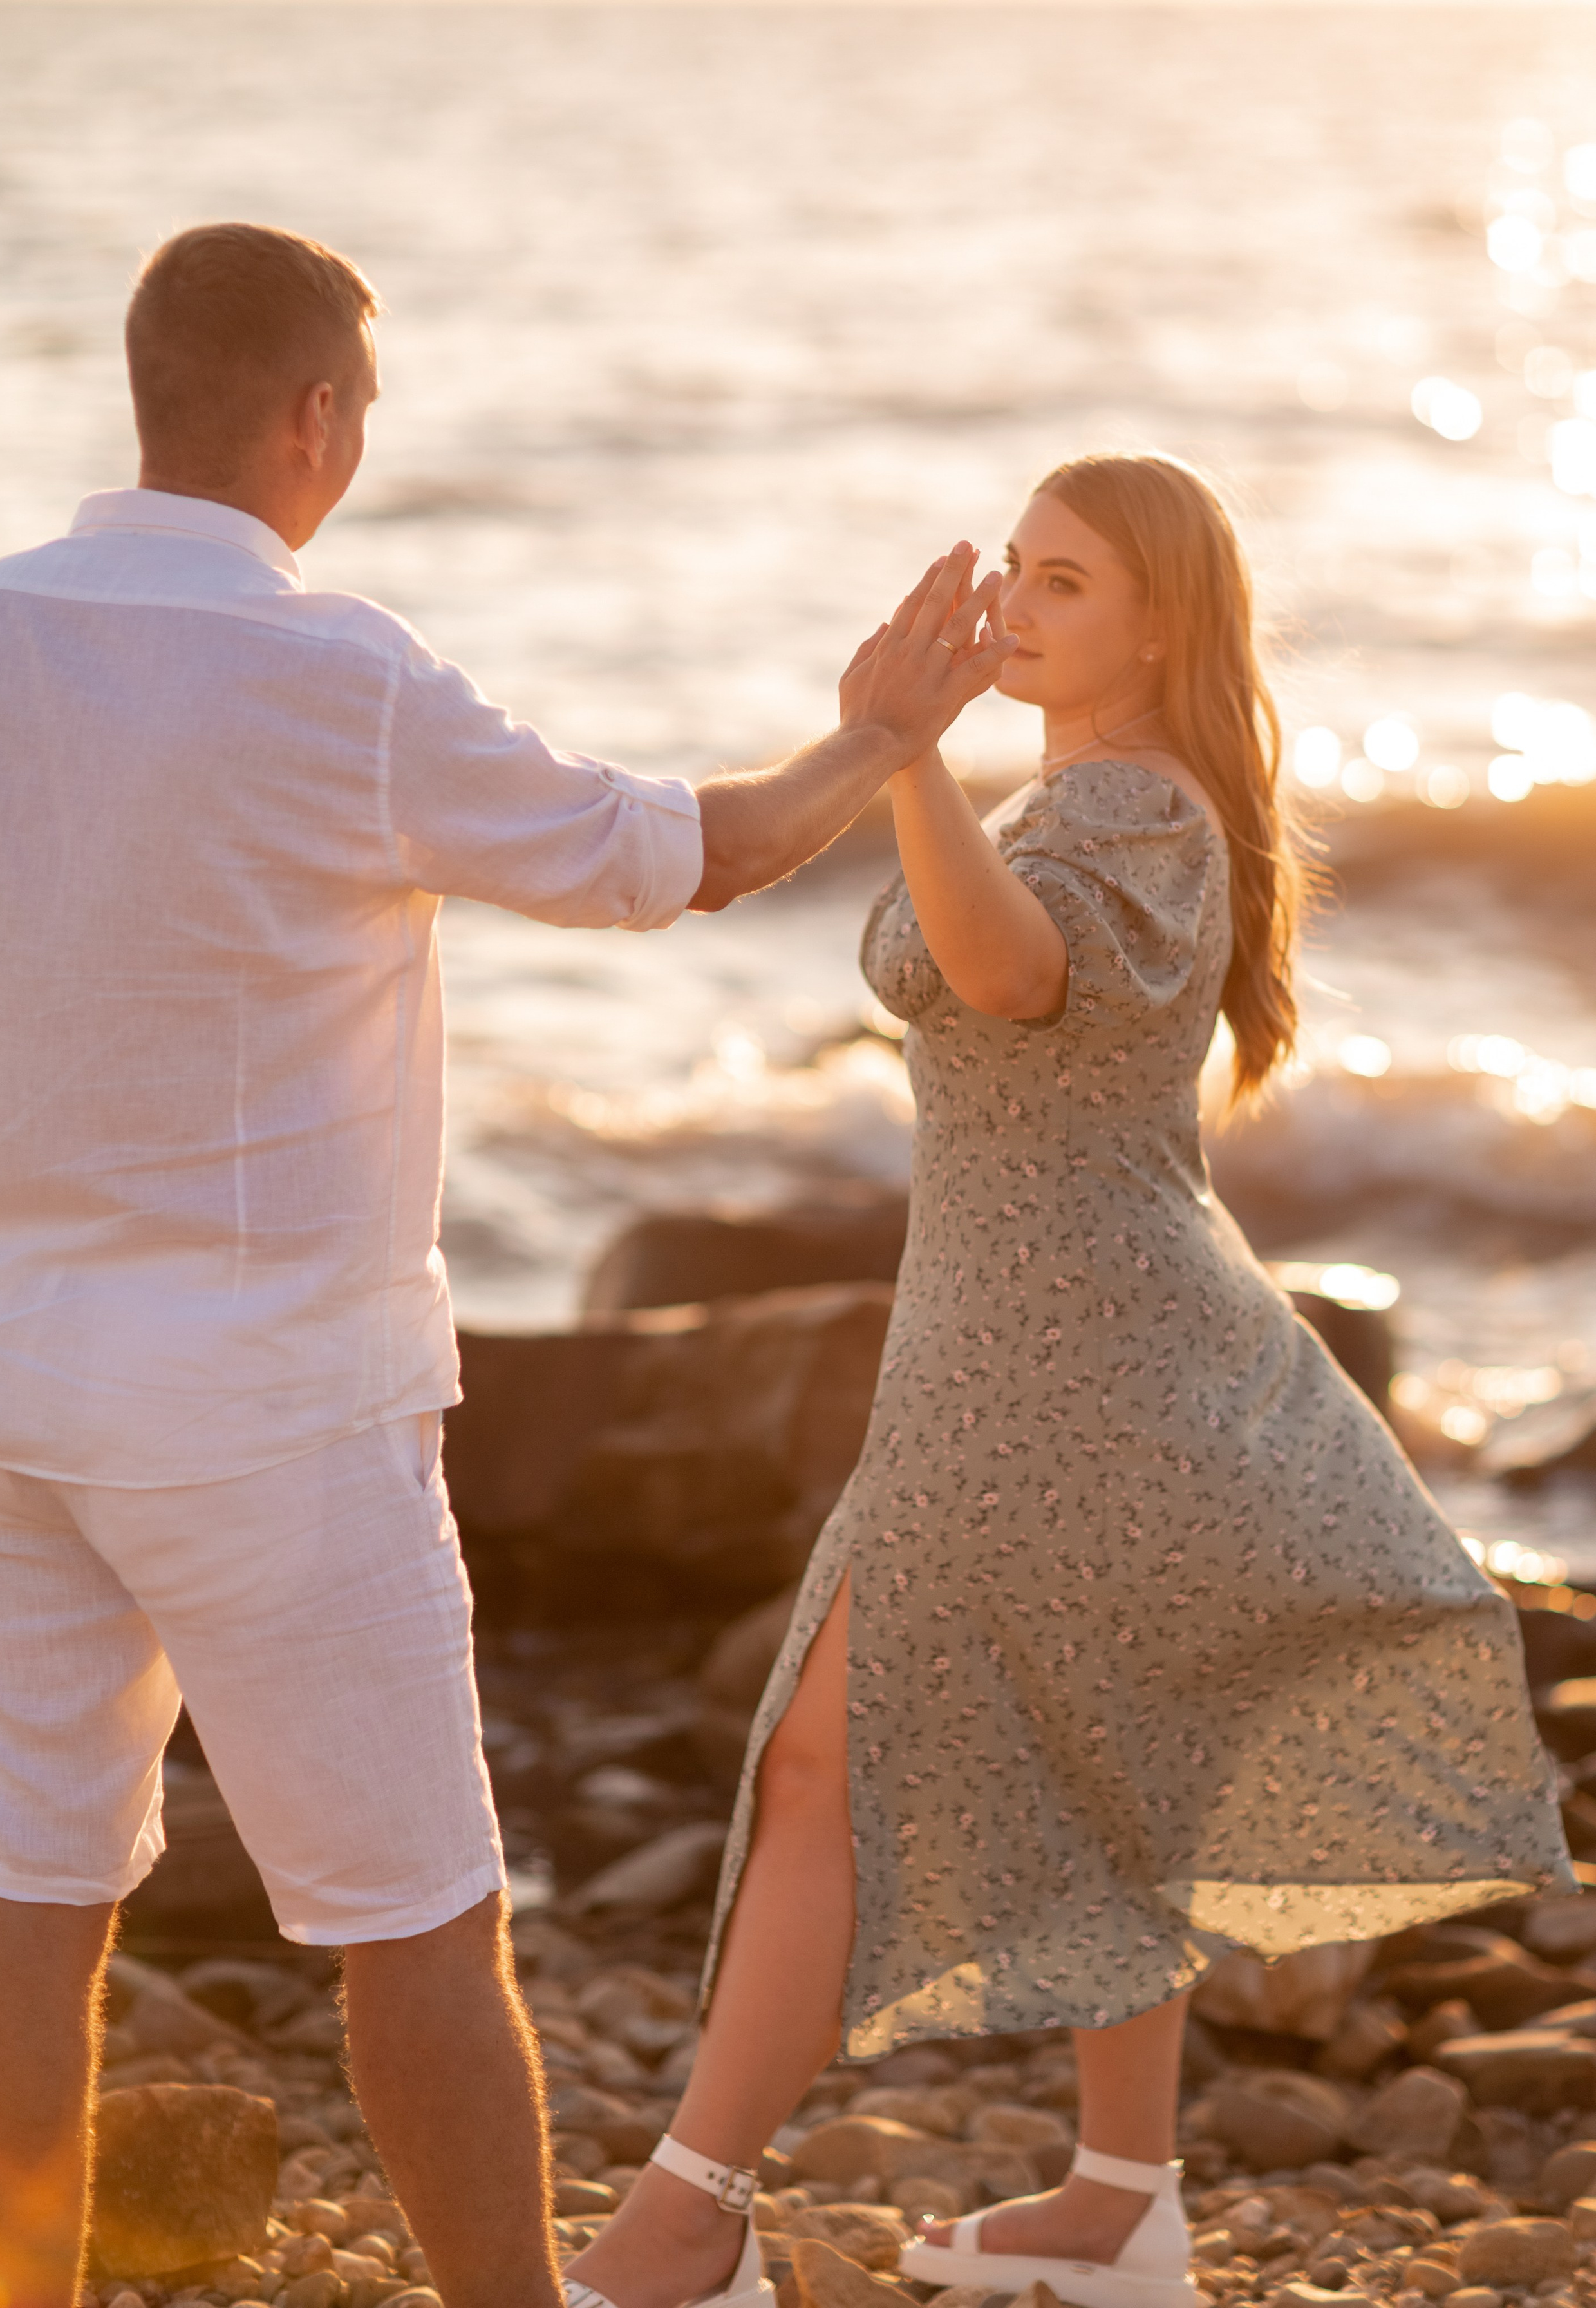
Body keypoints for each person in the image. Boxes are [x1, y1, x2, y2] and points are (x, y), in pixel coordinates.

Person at [0, 221, 1016, 2308]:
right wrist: (882, 740)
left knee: (36, 1878)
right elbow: (676, 859)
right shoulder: (335, 674)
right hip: (268, 1409)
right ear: (318, 417)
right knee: (419, 1920)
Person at [560, 451, 1575, 2308]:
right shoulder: (1085, 789)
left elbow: (1012, 980)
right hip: (1027, 1335)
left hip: (1065, 1352)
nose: (1018, 605)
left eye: (1067, 581)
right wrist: (918, 761)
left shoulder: (1129, 803)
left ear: (1164, 623)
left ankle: (690, 2217)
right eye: (1014, 568)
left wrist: (902, 752)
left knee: (818, 1762)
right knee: (1103, 1748)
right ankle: (1121, 2203)